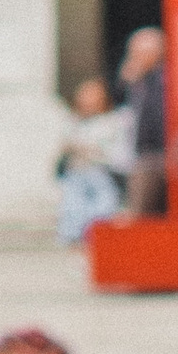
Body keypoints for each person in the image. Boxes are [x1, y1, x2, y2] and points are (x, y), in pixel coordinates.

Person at [54, 77, 129, 245]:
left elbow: (113, 150)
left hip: (102, 172)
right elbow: (66, 144)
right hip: (76, 172)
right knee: (72, 204)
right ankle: (73, 237)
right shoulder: (72, 121)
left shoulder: (113, 121)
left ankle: (98, 236)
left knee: (104, 203)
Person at [120, 24, 170, 217]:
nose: (133, 58)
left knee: (140, 213)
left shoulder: (161, 79)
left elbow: (155, 118)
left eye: (137, 52)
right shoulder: (139, 81)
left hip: (156, 154)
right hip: (138, 153)